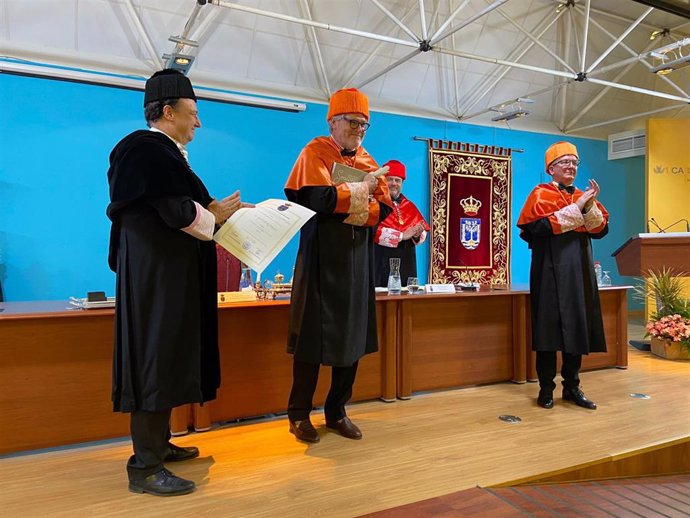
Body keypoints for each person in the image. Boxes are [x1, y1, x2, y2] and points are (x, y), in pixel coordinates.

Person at [107, 69, 244, 496]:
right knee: (155, 360)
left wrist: (216, 212)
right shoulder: (146, 149)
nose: (198, 123)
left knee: (165, 356)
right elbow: (179, 213)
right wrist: (216, 214)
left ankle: (160, 445)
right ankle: (144, 467)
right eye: (193, 113)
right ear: (168, 112)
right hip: (158, 280)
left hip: (164, 275)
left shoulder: (157, 154)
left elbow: (180, 205)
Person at [284, 88, 392, 443]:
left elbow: (384, 210)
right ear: (333, 121)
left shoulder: (368, 160)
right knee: (311, 342)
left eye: (364, 125)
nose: (359, 130)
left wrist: (350, 202)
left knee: (352, 339)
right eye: (353, 122)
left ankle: (337, 411)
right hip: (319, 260)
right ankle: (299, 414)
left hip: (356, 263)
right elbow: (317, 198)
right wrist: (362, 195)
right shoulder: (314, 152)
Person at [517, 141, 609, 411]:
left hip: (579, 271)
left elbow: (600, 229)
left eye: (574, 163)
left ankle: (572, 387)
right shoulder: (540, 194)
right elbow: (536, 228)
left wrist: (587, 204)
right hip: (549, 271)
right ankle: (546, 388)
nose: (571, 167)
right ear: (551, 169)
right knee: (548, 329)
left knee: (577, 328)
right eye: (564, 163)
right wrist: (578, 207)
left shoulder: (583, 194)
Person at [373, 159, 429, 287]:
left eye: (397, 180)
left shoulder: (409, 205)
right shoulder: (374, 203)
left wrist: (416, 234)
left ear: (402, 183)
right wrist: (402, 235)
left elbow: (421, 232)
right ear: (383, 181)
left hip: (407, 262)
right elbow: (372, 231)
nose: (394, 183)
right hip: (381, 260)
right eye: (390, 179)